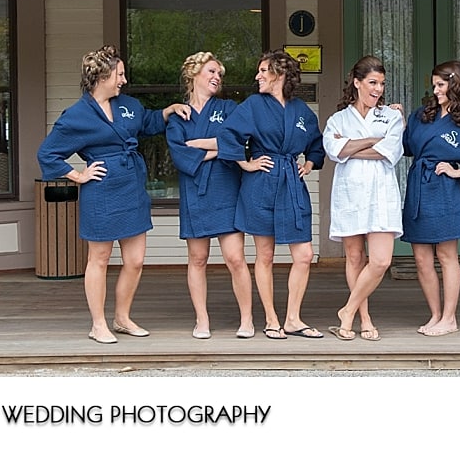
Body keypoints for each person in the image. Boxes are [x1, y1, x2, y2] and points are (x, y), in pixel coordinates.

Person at [37, 44, 190, 344]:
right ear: (102, 76)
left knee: (135, 260)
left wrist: (169, 111)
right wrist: (79, 175)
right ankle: (98, 324)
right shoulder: (77, 116)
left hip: (131, 187)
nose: (124, 80)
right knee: (100, 258)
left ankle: (122, 318)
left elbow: (147, 123)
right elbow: (47, 154)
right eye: (119, 74)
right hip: (102, 191)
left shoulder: (127, 105)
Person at [218, 49, 325, 340]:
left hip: (291, 182)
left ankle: (293, 318)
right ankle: (271, 319)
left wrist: (310, 163)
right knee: (265, 254)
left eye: (263, 70)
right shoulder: (253, 105)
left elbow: (317, 142)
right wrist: (245, 162)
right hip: (261, 184)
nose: (258, 76)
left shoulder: (301, 110)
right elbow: (228, 135)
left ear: (280, 73)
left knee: (304, 255)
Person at [400, 59, 460, 336]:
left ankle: (450, 317)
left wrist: (459, 172)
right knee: (421, 258)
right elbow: (407, 147)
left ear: (455, 85)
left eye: (441, 85)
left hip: (443, 191)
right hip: (418, 186)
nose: (436, 90)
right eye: (434, 85)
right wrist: (399, 118)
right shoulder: (423, 114)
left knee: (446, 255)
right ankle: (435, 314)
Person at [166, 52, 255, 340]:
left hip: (227, 187)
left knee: (235, 258)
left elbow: (237, 141)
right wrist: (218, 149)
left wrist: (200, 146)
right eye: (211, 71)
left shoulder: (229, 108)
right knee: (198, 258)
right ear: (194, 74)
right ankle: (202, 320)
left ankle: (247, 319)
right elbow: (180, 154)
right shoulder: (180, 116)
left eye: (219, 73)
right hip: (195, 191)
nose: (217, 77)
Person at [323, 56, 405, 341]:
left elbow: (390, 151)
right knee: (355, 257)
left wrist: (350, 147)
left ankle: (347, 310)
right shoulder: (338, 118)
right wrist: (373, 139)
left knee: (381, 261)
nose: (378, 89)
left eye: (382, 84)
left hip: (381, 192)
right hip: (350, 192)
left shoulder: (392, 116)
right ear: (357, 83)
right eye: (372, 82)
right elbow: (334, 151)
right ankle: (363, 318)